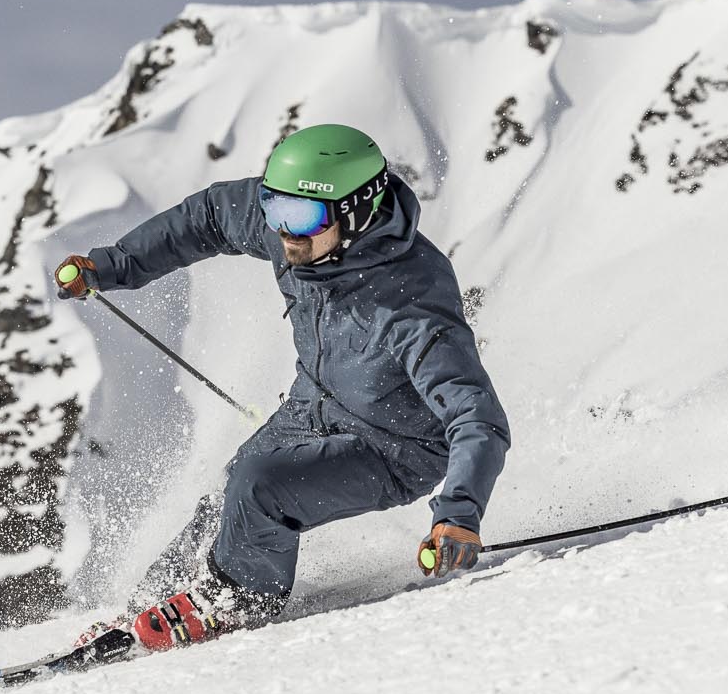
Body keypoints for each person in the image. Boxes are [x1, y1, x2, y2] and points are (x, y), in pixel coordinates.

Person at [56, 123, 512, 649]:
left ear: (356, 213)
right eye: (275, 210)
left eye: (302, 217)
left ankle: (234, 598)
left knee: (260, 486)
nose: (285, 232)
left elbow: (476, 416)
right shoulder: (300, 235)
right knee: (228, 496)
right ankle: (147, 607)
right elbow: (207, 217)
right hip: (311, 405)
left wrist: (459, 513)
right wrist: (112, 265)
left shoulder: (409, 302)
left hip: (394, 447)